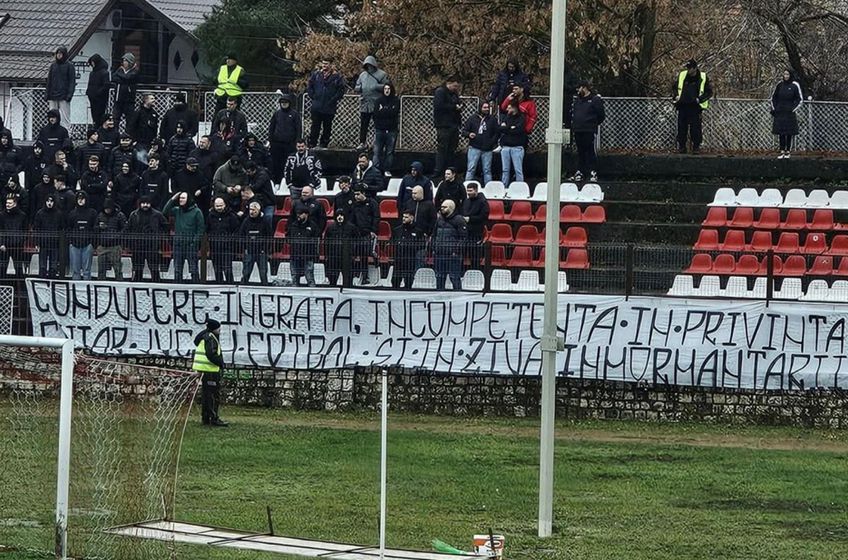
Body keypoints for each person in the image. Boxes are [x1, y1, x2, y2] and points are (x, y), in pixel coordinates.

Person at [163, 192, 205, 283]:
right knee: (177, 269)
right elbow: (165, 211)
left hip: (191, 245)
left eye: (183, 198)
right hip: (178, 244)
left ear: (188, 199)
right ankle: (178, 286)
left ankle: (195, 287)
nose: (180, 200)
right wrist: (173, 199)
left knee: (193, 269)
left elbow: (201, 229)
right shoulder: (177, 210)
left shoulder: (197, 212)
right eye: (180, 198)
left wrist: (194, 242)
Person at [193, 318, 228, 427]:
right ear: (214, 329)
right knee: (213, 396)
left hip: (204, 370)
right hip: (210, 370)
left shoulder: (204, 336)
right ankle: (213, 418)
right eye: (218, 328)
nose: (220, 330)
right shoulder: (211, 338)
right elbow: (211, 354)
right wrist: (221, 362)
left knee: (207, 395)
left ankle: (206, 418)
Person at [673, 59, 713, 154]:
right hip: (682, 105)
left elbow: (709, 92)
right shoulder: (682, 76)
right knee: (682, 128)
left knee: (695, 128)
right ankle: (682, 147)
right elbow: (674, 88)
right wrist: (676, 96)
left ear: (695, 68)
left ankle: (696, 147)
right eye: (687, 68)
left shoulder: (702, 77)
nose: (688, 70)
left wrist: (700, 99)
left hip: (695, 107)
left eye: (690, 68)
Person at [307, 57, 347, 149]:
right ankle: (312, 143)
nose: (324, 65)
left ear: (331, 65)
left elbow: (341, 91)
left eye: (326, 63)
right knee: (315, 126)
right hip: (317, 106)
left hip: (329, 107)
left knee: (327, 127)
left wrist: (333, 100)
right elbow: (310, 85)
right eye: (323, 63)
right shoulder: (316, 75)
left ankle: (324, 144)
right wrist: (313, 96)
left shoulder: (337, 77)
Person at [570, 80, 606, 182]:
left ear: (585, 88)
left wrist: (592, 123)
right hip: (578, 130)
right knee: (580, 151)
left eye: (579, 88)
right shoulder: (578, 101)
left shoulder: (595, 100)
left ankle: (592, 171)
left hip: (589, 130)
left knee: (590, 151)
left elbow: (601, 115)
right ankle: (580, 171)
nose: (577, 90)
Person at [126, 196, 168, 282]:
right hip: (137, 246)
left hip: (152, 246)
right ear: (140, 204)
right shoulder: (134, 214)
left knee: (154, 269)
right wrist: (130, 243)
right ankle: (136, 287)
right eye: (143, 203)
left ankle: (157, 287)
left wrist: (159, 237)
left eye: (147, 203)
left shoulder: (157, 215)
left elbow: (165, 226)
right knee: (138, 269)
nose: (145, 205)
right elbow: (128, 229)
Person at [355, 55, 390, 152]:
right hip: (365, 103)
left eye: (370, 65)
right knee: (364, 124)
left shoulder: (382, 74)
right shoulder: (362, 75)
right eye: (367, 65)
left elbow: (387, 87)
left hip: (377, 103)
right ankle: (362, 142)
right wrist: (360, 88)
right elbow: (357, 86)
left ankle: (378, 142)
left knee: (378, 124)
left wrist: (376, 87)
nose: (369, 67)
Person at [432, 199, 467, 290]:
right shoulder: (439, 219)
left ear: (451, 208)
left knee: (454, 277)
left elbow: (463, 238)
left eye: (445, 207)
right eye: (442, 206)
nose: (442, 208)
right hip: (439, 254)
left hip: (453, 256)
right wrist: (434, 248)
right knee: (439, 277)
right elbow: (434, 235)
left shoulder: (459, 220)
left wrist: (456, 251)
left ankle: (458, 297)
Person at [462, 101, 499, 185]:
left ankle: (489, 187)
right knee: (471, 168)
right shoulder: (472, 118)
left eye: (487, 107)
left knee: (487, 170)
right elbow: (464, 131)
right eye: (484, 107)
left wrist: (492, 142)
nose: (486, 109)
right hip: (474, 147)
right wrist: (469, 134)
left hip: (487, 149)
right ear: (480, 108)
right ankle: (467, 186)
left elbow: (496, 133)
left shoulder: (492, 119)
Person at [348, 185, 379, 284]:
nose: (356, 196)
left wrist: (373, 230)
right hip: (356, 234)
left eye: (358, 194)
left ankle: (365, 277)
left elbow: (376, 217)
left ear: (363, 193)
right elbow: (351, 220)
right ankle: (352, 276)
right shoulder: (354, 205)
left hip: (367, 233)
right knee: (352, 255)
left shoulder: (372, 203)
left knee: (364, 256)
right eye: (355, 194)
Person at [268, 94, 302, 185]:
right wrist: (271, 141)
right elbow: (271, 128)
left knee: (289, 164)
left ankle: (289, 181)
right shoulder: (277, 114)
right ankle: (277, 181)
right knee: (276, 164)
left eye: (285, 102)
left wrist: (297, 142)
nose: (284, 104)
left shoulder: (294, 114)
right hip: (277, 144)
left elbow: (298, 129)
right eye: (282, 102)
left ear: (289, 103)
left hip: (290, 144)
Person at [433, 78, 463, 177]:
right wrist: (454, 107)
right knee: (442, 148)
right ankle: (438, 170)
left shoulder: (454, 94)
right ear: (448, 84)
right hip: (443, 125)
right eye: (454, 86)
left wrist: (460, 106)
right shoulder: (440, 92)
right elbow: (439, 106)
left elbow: (459, 102)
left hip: (454, 124)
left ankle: (450, 169)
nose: (456, 88)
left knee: (452, 148)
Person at [206, 197, 239, 283]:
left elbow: (236, 230)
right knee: (217, 270)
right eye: (217, 206)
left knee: (228, 270)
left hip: (227, 248)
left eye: (221, 205)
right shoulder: (210, 216)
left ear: (224, 205)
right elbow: (207, 230)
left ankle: (230, 287)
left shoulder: (231, 216)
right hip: (215, 248)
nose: (219, 207)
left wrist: (230, 240)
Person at [771, 70, 803, 159]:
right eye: (784, 74)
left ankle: (788, 150)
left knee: (789, 132)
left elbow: (799, 99)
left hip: (789, 112)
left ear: (790, 75)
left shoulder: (795, 85)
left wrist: (792, 109)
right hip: (780, 112)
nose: (786, 76)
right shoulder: (779, 85)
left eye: (787, 74)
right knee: (781, 132)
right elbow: (774, 97)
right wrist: (775, 108)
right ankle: (781, 150)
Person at [66, 191, 98, 280]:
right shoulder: (72, 213)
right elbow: (68, 228)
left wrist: (92, 243)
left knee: (87, 271)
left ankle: (86, 290)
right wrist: (71, 242)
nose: (80, 201)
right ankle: (76, 290)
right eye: (79, 199)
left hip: (87, 245)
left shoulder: (92, 213)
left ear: (86, 200)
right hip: (74, 245)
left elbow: (95, 228)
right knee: (75, 271)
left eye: (82, 199)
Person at [95, 198, 127, 280]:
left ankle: (120, 285)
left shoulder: (120, 215)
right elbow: (94, 228)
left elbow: (125, 229)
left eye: (109, 209)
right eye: (106, 209)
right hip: (102, 246)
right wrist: (99, 227)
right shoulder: (100, 215)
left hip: (115, 246)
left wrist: (116, 236)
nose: (107, 210)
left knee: (117, 268)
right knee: (101, 269)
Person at [392, 209, 425, 290]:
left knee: (408, 281)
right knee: (395, 281)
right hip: (398, 260)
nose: (403, 219)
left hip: (410, 260)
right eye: (403, 217)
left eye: (406, 217)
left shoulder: (418, 231)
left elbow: (422, 245)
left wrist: (411, 247)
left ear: (412, 218)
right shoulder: (397, 230)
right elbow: (392, 241)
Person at [239, 201, 270, 284]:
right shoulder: (246, 221)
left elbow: (269, 236)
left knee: (263, 273)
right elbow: (241, 235)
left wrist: (265, 249)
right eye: (250, 209)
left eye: (254, 210)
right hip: (249, 250)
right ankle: (243, 287)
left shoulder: (265, 221)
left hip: (262, 251)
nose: (251, 212)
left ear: (259, 210)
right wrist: (244, 248)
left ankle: (265, 289)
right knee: (246, 272)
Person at [33, 194, 63, 278]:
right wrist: (37, 243)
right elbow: (36, 229)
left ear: (54, 202)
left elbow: (62, 229)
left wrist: (60, 243)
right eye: (48, 201)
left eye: (51, 201)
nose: (49, 203)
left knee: (53, 266)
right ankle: (42, 283)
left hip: (54, 243)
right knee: (42, 266)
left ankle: (52, 283)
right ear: (45, 202)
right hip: (43, 244)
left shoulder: (58, 214)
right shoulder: (40, 213)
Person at [373, 83, 400, 177]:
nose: (387, 90)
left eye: (388, 88)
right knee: (377, 151)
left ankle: (387, 169)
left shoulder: (396, 100)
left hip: (391, 130)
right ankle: (375, 170)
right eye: (385, 89)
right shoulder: (378, 101)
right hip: (380, 129)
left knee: (390, 152)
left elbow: (394, 112)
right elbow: (376, 114)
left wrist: (383, 110)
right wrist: (388, 110)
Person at [287, 206, 318, 286]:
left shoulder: (313, 225)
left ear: (306, 214)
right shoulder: (293, 225)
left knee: (309, 277)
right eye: (297, 214)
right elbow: (288, 237)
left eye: (301, 214)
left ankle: (312, 293)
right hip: (295, 254)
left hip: (308, 254)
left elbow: (316, 238)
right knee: (294, 277)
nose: (298, 215)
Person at [324, 210, 357, 286]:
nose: (340, 217)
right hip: (333, 256)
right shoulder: (330, 227)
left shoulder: (351, 227)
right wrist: (327, 255)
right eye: (338, 215)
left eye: (342, 215)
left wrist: (353, 254)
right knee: (333, 278)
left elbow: (356, 240)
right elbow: (326, 241)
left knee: (348, 279)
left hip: (347, 257)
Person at [461, 182, 489, 268]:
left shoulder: (483, 202)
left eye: (470, 191)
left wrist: (470, 219)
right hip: (465, 233)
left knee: (475, 256)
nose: (468, 193)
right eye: (467, 191)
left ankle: (475, 272)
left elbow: (484, 216)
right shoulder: (466, 201)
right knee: (462, 254)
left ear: (476, 190)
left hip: (476, 232)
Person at [46, 47, 76, 126]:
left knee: (64, 117)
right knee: (52, 115)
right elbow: (49, 80)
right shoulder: (53, 66)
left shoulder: (70, 66)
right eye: (57, 53)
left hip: (64, 95)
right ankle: (52, 131)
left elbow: (72, 82)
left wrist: (69, 95)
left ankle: (66, 133)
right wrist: (47, 94)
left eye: (61, 54)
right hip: (53, 95)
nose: (59, 55)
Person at [0, 194, 29, 278]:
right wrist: (1, 243)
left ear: (15, 204)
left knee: (19, 268)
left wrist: (21, 240)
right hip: (4, 246)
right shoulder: (1, 215)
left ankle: (20, 289)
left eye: (10, 203)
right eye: (7, 203)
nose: (7, 205)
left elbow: (25, 230)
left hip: (17, 246)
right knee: (2, 268)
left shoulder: (22, 216)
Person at [498, 103, 527, 185]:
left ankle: (520, 187)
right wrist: (510, 127)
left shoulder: (521, 118)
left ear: (514, 108)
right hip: (506, 147)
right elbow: (500, 128)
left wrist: (506, 127)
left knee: (518, 169)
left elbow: (518, 130)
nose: (507, 109)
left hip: (517, 147)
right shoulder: (506, 117)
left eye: (509, 107)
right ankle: (504, 186)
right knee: (505, 169)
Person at [111, 53, 139, 129]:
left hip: (129, 101)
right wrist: (122, 77)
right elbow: (113, 77)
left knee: (129, 120)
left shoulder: (134, 71)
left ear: (130, 62)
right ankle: (115, 135)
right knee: (115, 119)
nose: (124, 63)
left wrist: (121, 77)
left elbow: (128, 77)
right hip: (118, 99)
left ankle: (128, 136)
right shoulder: (120, 70)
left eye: (126, 61)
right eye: (123, 61)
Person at [244, 161, 276, 228]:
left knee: (268, 218)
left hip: (268, 202)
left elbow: (255, 187)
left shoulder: (263, 175)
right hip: (257, 201)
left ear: (254, 170)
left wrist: (242, 187)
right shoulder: (249, 176)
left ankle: (268, 236)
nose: (247, 174)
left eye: (249, 172)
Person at [86, 54, 110, 126]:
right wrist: (89, 93)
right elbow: (90, 84)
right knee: (94, 117)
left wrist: (98, 93)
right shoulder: (92, 73)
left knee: (100, 116)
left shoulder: (104, 73)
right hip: (92, 98)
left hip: (100, 99)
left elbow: (106, 85)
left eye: (93, 62)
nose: (92, 64)